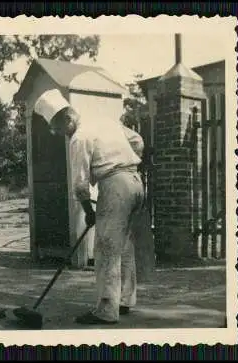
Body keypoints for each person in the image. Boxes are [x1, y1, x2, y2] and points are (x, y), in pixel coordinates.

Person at [34, 89, 145, 325]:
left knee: (105, 248)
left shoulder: (79, 137)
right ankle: (125, 300)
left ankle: (106, 310)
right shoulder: (103, 122)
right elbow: (138, 141)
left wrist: (88, 211)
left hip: (116, 186)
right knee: (124, 246)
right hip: (135, 182)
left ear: (68, 119)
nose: (60, 134)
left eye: (59, 129)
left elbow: (80, 185)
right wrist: (126, 164)